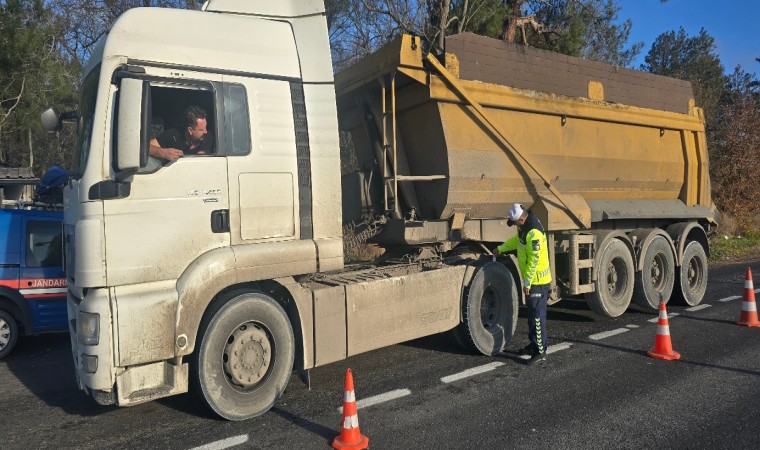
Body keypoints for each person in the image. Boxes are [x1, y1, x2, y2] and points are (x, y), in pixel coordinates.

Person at [495, 203, 553, 364]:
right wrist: (501, 248)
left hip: (537, 281)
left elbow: (534, 260)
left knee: (537, 316)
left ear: (521, 219)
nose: (514, 225)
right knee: (532, 316)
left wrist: (527, 283)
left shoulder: (533, 232)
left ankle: (540, 351)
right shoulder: (524, 227)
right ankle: (534, 345)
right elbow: (517, 242)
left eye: (514, 222)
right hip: (532, 280)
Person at [150, 105, 214, 161]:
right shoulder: (172, 136)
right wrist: (163, 153)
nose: (205, 131)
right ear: (190, 130)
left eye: (206, 127)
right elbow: (145, 147)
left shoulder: (208, 136)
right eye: (201, 129)